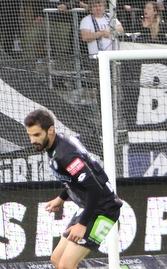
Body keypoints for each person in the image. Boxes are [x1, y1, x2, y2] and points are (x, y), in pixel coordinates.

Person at [24, 109, 122, 269]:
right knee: (57, 259)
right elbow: (75, 179)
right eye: (30, 135)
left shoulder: (65, 155)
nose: (32, 140)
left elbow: (95, 188)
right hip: (88, 206)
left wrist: (82, 224)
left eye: (36, 135)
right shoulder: (56, 145)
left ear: (50, 130)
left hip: (103, 209)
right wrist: (61, 198)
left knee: (66, 265)